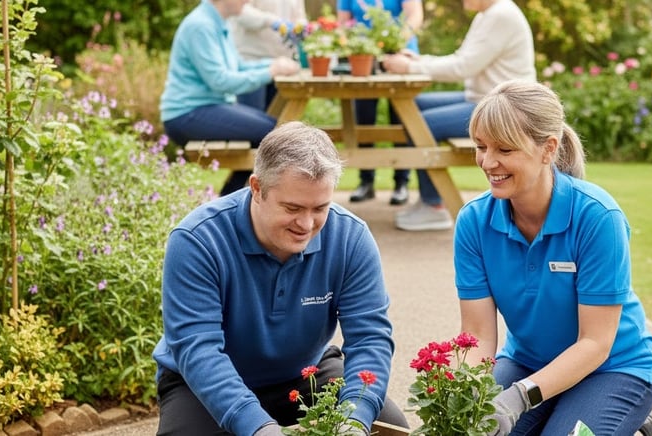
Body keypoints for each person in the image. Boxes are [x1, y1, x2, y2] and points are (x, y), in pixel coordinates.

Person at [152, 121, 409, 435]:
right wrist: (258, 427)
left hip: (306, 372)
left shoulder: (349, 237)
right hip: (201, 383)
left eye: (320, 208)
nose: (306, 223)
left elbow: (370, 338)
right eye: (292, 207)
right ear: (257, 189)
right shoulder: (197, 240)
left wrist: (355, 418)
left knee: (389, 429)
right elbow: (198, 349)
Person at [453, 80, 652, 435]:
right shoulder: (474, 221)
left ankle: (629, 422)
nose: (488, 162)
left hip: (612, 369)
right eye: (481, 147)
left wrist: (520, 397)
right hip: (527, 364)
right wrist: (466, 392)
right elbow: (477, 334)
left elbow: (595, 343)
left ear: (548, 149)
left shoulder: (597, 217)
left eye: (504, 149)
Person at [382, 0, 535, 230]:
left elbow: (463, 67)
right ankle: (429, 198)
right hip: (483, 98)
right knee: (413, 107)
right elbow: (461, 57)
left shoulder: (501, 15)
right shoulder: (487, 14)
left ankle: (434, 207)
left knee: (421, 123)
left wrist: (409, 68)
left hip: (506, 108)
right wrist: (418, 61)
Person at [160, 0, 300, 196]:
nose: (248, 1)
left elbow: (237, 66)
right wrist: (270, 71)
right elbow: (220, 81)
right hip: (186, 115)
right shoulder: (201, 26)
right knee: (273, 134)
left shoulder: (217, 22)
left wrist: (274, 64)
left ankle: (226, 198)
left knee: (275, 130)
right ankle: (229, 201)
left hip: (206, 107)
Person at [338, 0, 424, 205]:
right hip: (364, 59)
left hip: (400, 57)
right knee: (364, 120)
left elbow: (415, 16)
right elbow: (342, 24)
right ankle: (366, 182)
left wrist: (392, 43)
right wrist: (352, 46)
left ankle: (401, 183)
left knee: (401, 119)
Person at [228, 0, 308, 110]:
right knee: (254, 121)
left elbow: (299, 15)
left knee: (279, 120)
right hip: (252, 62)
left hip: (283, 65)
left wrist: (301, 26)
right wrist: (271, 21)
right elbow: (239, 11)